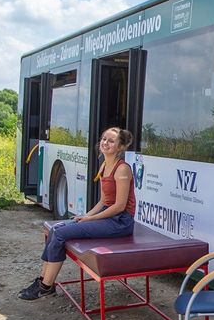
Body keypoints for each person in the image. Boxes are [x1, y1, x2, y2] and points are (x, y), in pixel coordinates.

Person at [20, 127, 136, 300]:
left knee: (59, 234)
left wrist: (91, 219)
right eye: (104, 139)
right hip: (108, 216)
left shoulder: (122, 169)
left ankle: (45, 287)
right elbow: (104, 201)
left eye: (111, 141)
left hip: (120, 222)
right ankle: (43, 281)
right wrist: (85, 215)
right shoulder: (105, 165)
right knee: (55, 230)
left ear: (120, 147)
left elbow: (119, 207)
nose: (105, 143)